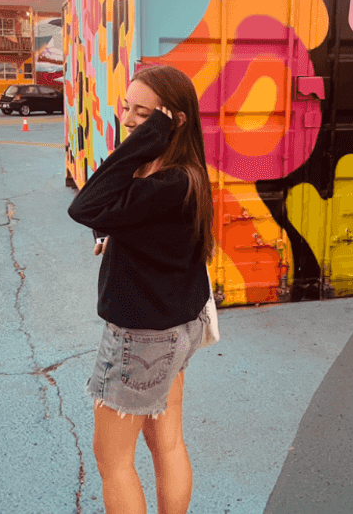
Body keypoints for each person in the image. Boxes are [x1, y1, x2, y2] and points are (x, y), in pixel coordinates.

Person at [67, 64, 215, 514]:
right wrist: (115, 235)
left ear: (174, 121)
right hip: (177, 328)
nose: (129, 120)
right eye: (126, 108)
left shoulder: (165, 182)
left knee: (113, 462)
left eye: (143, 114)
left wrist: (143, 141)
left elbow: (84, 205)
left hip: (142, 340)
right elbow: (130, 220)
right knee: (166, 442)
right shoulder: (185, 174)